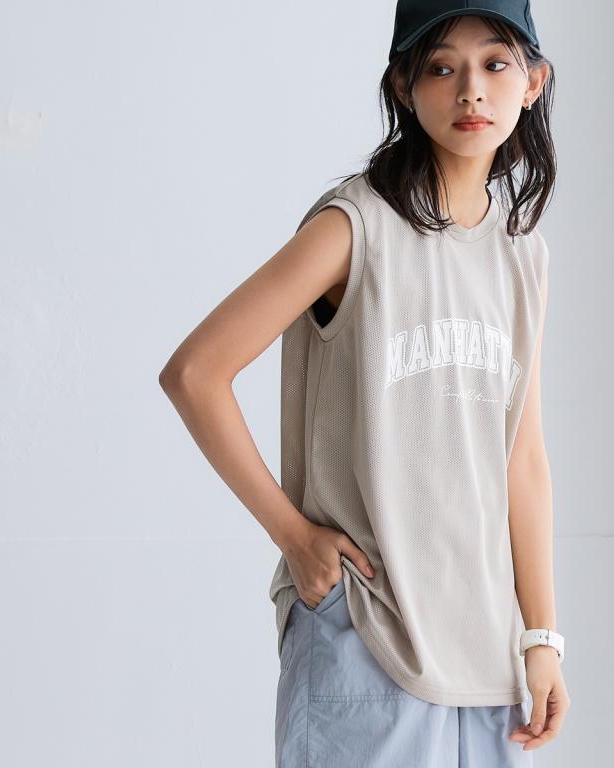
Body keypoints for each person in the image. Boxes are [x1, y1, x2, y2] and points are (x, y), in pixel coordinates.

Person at [159, 1, 572, 764]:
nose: (471, 90)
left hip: (489, 654)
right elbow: (195, 373)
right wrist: (294, 537)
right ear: (404, 87)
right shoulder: (355, 228)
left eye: (495, 63)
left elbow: (523, 460)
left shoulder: (523, 256)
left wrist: (541, 636)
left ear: (534, 82)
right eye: (441, 67)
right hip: (368, 635)